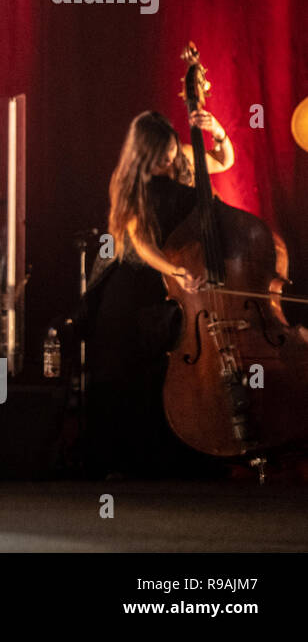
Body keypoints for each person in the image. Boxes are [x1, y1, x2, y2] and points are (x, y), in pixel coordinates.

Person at [82, 108, 233, 477]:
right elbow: (142, 243)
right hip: (136, 271)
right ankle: (134, 460)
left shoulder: (180, 156)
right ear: (143, 154)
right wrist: (175, 272)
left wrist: (218, 132)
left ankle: (189, 450)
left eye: (171, 150)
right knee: (134, 360)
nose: (169, 159)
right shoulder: (128, 181)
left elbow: (224, 160)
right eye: (161, 154)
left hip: (177, 268)